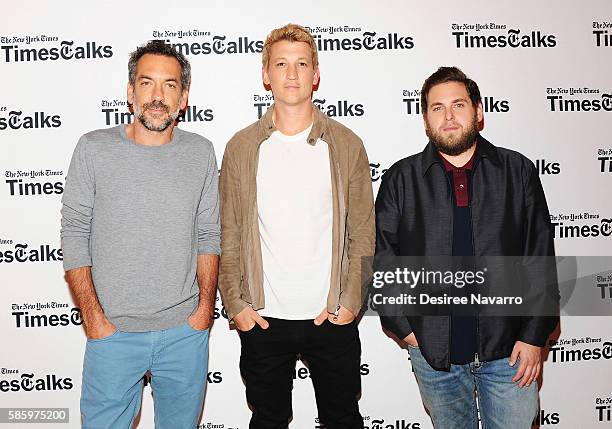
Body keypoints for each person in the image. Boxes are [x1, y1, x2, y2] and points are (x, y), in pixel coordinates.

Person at [375, 66, 559, 429]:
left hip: (511, 354)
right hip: (435, 357)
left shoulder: (517, 171)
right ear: (426, 119)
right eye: (436, 107)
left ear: (478, 111)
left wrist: (534, 336)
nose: (448, 116)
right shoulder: (401, 179)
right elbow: (383, 260)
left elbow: (539, 256)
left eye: (458, 105)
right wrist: (407, 330)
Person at [218, 23, 374, 429]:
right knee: (267, 420)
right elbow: (229, 233)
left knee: (343, 419)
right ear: (265, 75)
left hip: (331, 316)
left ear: (316, 74)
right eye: (281, 64)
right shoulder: (241, 147)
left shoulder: (345, 144)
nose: (291, 74)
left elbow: (362, 231)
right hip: (264, 318)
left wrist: (351, 301)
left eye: (302, 64)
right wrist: (237, 306)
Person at [60, 40, 220, 429]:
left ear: (184, 97)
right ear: (130, 91)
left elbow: (208, 235)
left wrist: (202, 314)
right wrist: (94, 319)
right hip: (112, 333)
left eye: (170, 85)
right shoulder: (93, 149)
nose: (157, 97)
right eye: (147, 84)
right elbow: (74, 234)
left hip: (184, 334)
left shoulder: (201, 152)